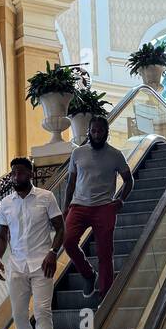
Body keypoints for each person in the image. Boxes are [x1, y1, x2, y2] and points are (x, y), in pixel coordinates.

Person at [0, 157, 64, 329]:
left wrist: (54, 253)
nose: (15, 177)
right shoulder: (5, 203)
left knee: (43, 313)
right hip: (17, 266)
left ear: (30, 175)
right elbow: (2, 235)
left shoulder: (46, 197)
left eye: (20, 173)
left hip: (42, 264)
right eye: (13, 174)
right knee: (18, 316)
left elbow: (61, 227)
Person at [62, 114, 133, 299]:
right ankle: (88, 274)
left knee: (105, 252)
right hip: (78, 206)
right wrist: (65, 207)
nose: (97, 134)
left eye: (100, 131)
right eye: (93, 131)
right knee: (68, 241)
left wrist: (121, 200)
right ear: (89, 132)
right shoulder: (78, 153)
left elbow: (129, 180)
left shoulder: (116, 155)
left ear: (106, 132)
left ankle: (105, 295)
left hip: (104, 207)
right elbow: (71, 182)